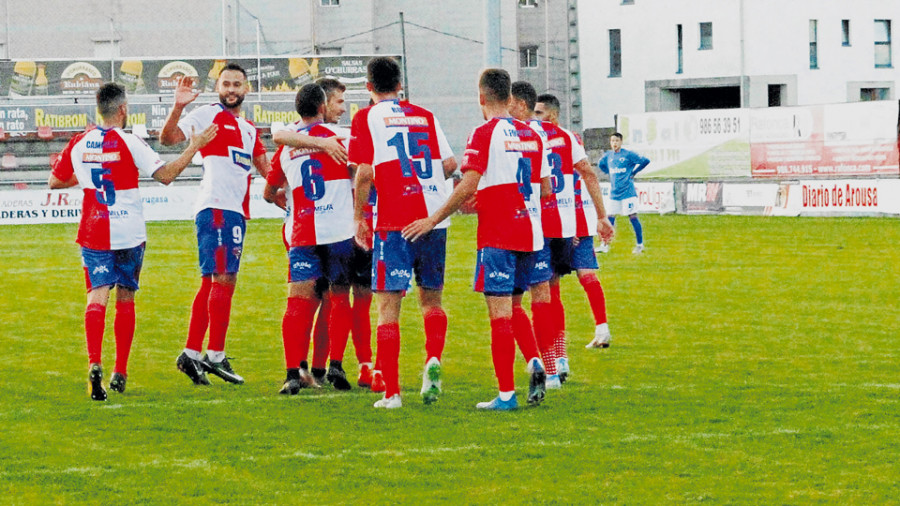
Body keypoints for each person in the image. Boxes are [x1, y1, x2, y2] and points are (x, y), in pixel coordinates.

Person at [49, 82, 217, 400]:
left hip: (94, 230)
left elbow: (55, 180)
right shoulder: (129, 142)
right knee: (126, 299)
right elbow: (166, 175)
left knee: (96, 298)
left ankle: (94, 363)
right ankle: (120, 371)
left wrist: (88, 175)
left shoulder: (79, 141)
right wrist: (193, 147)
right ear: (123, 109)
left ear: (99, 110)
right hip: (129, 233)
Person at [403, 68, 551, 411]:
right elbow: (545, 188)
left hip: (499, 233)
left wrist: (433, 219)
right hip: (530, 232)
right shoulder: (534, 135)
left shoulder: (483, 133)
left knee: (499, 315)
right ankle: (534, 361)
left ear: (481, 98)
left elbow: (468, 183)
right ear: (512, 98)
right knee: (515, 306)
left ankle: (506, 395)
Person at [349, 56, 457, 409]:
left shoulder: (367, 116)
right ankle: (432, 359)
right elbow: (451, 164)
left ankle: (392, 392)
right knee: (432, 301)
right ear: (400, 85)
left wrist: (359, 217)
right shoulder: (425, 115)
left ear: (368, 87)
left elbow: (364, 172)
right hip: (434, 218)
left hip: (395, 220)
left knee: (388, 308)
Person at [160, 63, 270, 386]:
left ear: (246, 89)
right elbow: (168, 139)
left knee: (213, 282)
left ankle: (191, 355)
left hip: (234, 211)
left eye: (238, 84)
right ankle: (215, 355)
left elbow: (268, 171)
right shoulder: (208, 114)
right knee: (224, 279)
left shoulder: (249, 130)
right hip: (216, 207)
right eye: (226, 84)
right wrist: (179, 106)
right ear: (218, 88)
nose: (232, 90)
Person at [273, 78, 376, 389]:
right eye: (338, 103)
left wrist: (290, 206)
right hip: (339, 231)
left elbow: (269, 189)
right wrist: (358, 215)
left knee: (298, 302)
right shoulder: (340, 138)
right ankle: (331, 366)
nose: (342, 109)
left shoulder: (287, 146)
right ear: (322, 106)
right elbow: (364, 173)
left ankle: (294, 373)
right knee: (338, 298)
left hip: (302, 231)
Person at [535, 94, 616, 350]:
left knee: (551, 282)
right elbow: (587, 175)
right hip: (576, 216)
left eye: (539, 112)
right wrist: (601, 217)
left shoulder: (531, 138)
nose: (534, 117)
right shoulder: (571, 138)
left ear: (552, 114)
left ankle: (558, 353)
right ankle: (602, 330)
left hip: (554, 222)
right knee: (586, 274)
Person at [596, 132, 650, 254]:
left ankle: (640, 245)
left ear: (621, 142)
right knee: (609, 219)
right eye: (612, 141)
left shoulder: (628, 154)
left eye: (616, 141)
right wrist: (609, 172)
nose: (614, 143)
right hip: (615, 193)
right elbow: (601, 165)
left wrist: (634, 172)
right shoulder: (608, 156)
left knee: (633, 217)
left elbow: (645, 161)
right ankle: (604, 245)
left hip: (628, 192)